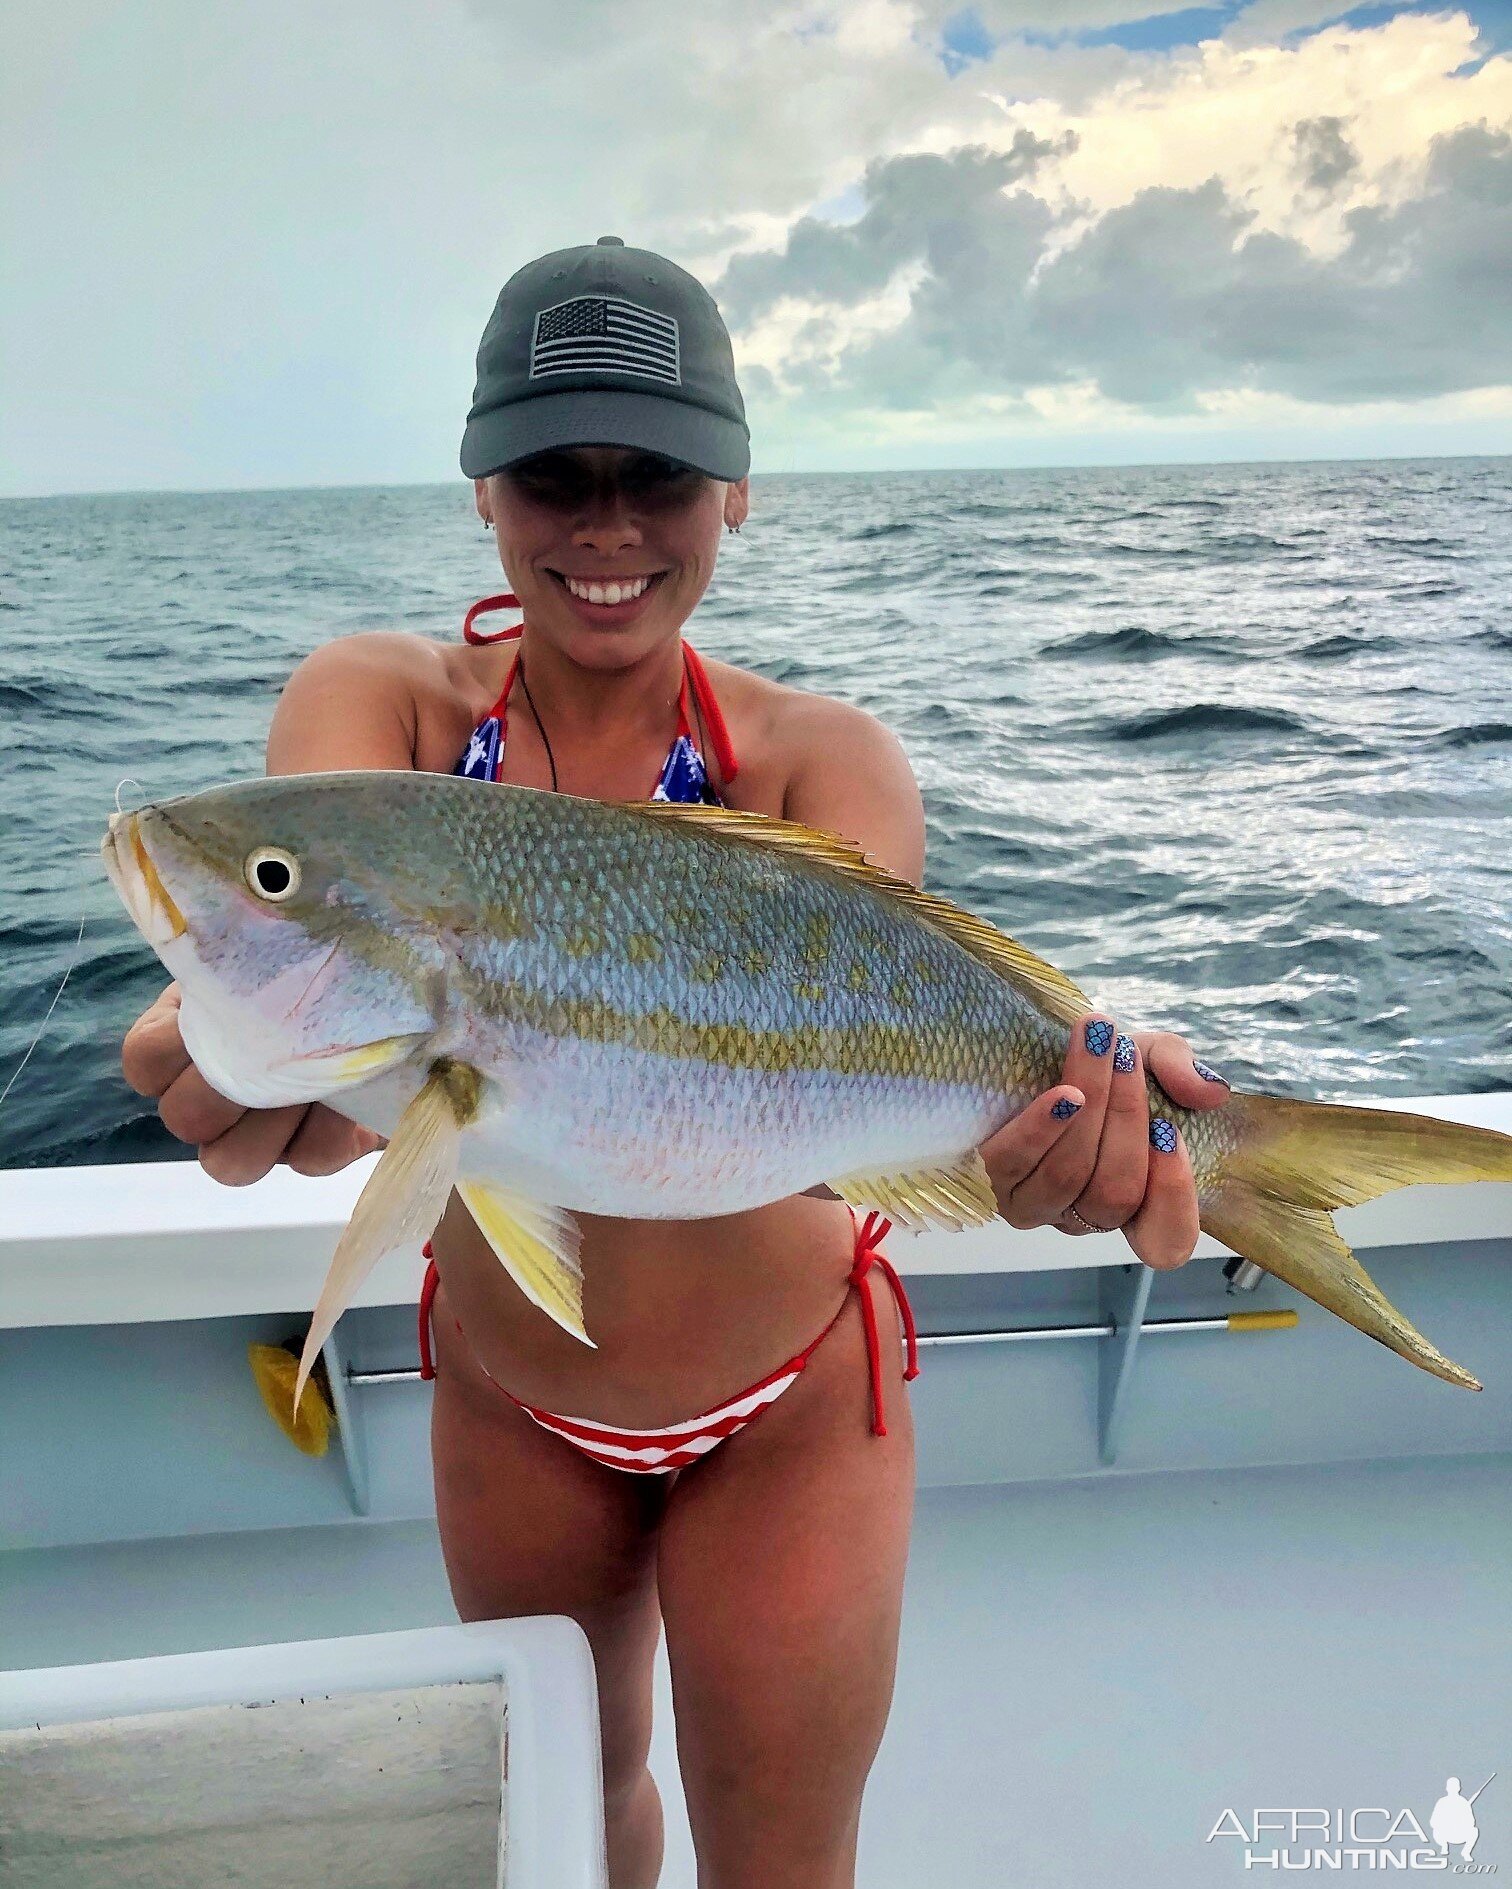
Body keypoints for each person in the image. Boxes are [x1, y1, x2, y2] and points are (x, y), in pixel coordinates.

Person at [121, 236, 1230, 1889]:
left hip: (794, 1404)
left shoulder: (820, 757)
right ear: (483, 486)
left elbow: (882, 1054)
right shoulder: (388, 711)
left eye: (662, 474)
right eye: (555, 473)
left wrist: (1078, 1125)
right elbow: (344, 970)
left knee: (781, 1860)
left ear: (736, 491)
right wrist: (259, 1059)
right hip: (509, 1398)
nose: (609, 525)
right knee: (580, 1806)